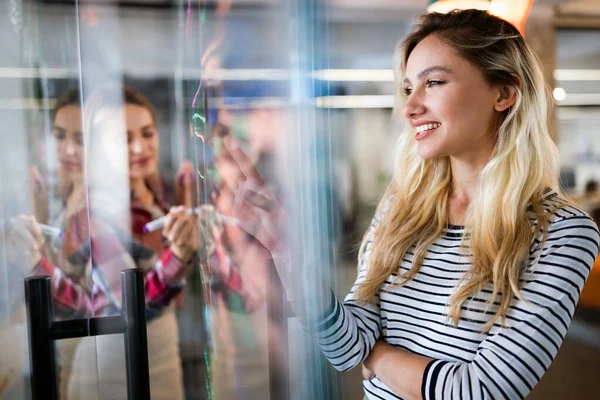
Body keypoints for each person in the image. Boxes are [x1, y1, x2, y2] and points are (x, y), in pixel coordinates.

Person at [214, 9, 600, 400]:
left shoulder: (563, 232)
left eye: (433, 82)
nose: (410, 107)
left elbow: (481, 391)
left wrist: (376, 356)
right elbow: (344, 346)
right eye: (407, 88)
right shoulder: (403, 209)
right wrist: (285, 250)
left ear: (504, 93)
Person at [16, 86, 199, 400]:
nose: (140, 147)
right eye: (124, 138)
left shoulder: (151, 202)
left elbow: (174, 299)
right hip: (116, 375)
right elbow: (129, 311)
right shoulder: (95, 214)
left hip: (156, 364)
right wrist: (179, 257)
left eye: (147, 133)